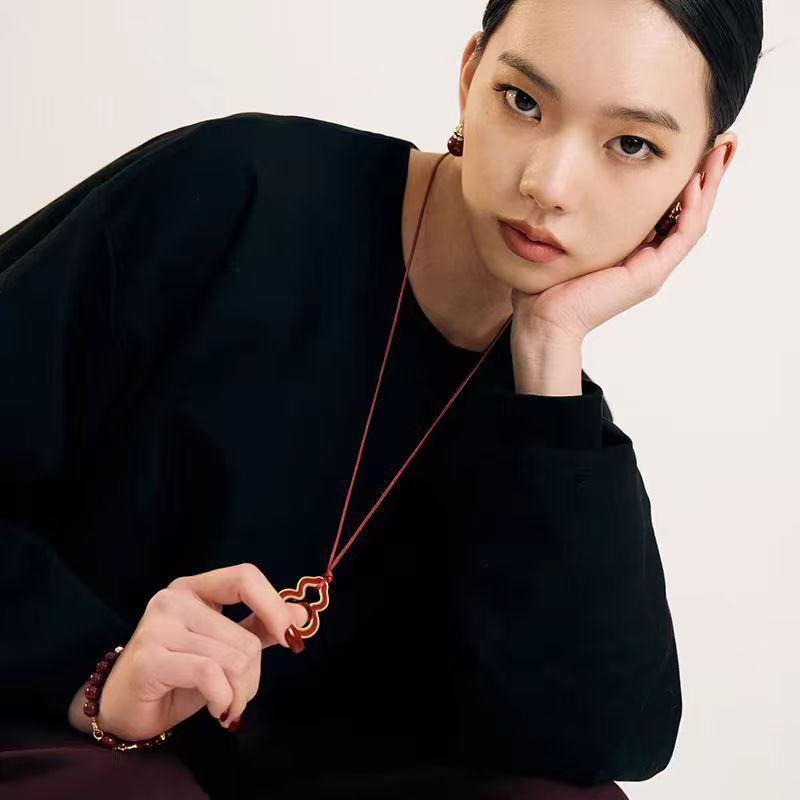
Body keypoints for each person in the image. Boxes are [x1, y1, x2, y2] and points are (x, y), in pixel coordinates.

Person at [0, 0, 763, 798]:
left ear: (699, 178)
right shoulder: (235, 194)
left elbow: (603, 741)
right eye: (522, 101)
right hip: (61, 734)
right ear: (470, 75)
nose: (548, 184)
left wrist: (549, 344)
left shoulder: (544, 418)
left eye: (632, 145)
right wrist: (94, 673)